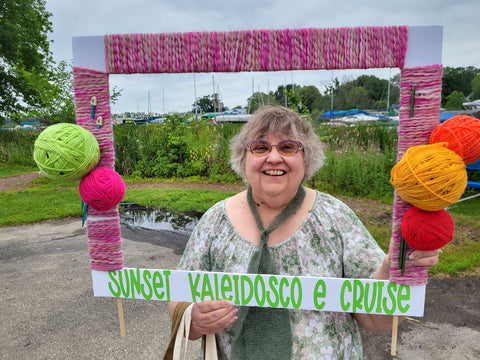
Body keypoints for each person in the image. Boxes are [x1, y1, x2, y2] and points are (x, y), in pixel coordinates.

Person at [167, 105, 440, 359]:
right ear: (243, 158)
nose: (274, 157)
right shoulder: (216, 221)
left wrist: (397, 266)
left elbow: (376, 320)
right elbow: (178, 298)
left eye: (288, 147)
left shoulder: (336, 217)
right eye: (260, 147)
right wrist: (193, 317)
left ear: (306, 158)